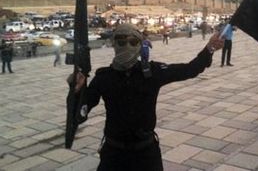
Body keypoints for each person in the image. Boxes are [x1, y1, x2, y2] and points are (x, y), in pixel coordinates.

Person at [70, 23, 224, 170]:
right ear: (114, 44)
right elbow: (80, 112)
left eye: (133, 41)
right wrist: (76, 91)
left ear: (139, 44)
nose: (127, 46)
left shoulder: (151, 72)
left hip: (145, 153)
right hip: (114, 153)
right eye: (121, 41)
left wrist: (209, 48)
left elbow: (190, 69)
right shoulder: (104, 78)